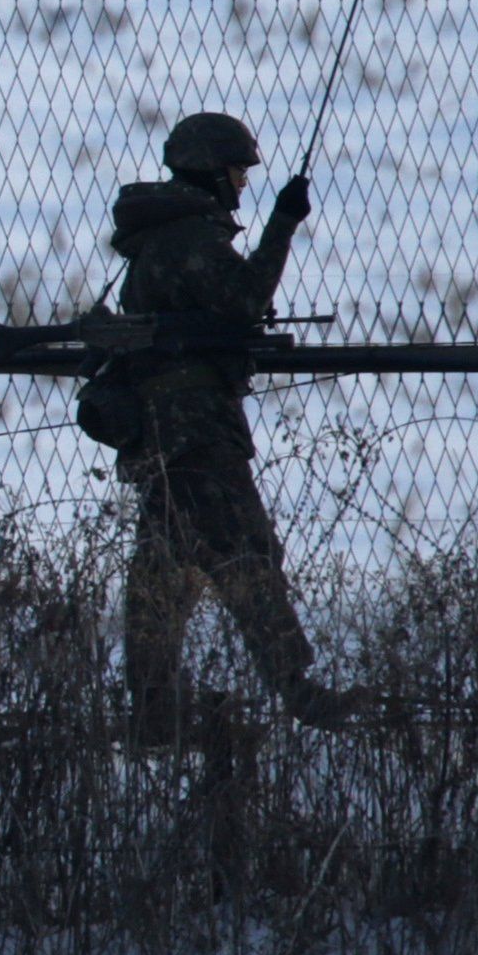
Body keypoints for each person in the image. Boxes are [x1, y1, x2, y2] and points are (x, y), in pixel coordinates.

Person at [104, 111, 350, 739]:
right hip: (198, 432)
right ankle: (299, 692)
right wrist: (284, 223)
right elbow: (243, 299)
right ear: (214, 170)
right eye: (239, 171)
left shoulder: (167, 237)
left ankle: (154, 705)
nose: (243, 184)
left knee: (165, 567)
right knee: (247, 555)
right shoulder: (188, 238)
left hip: (170, 432)